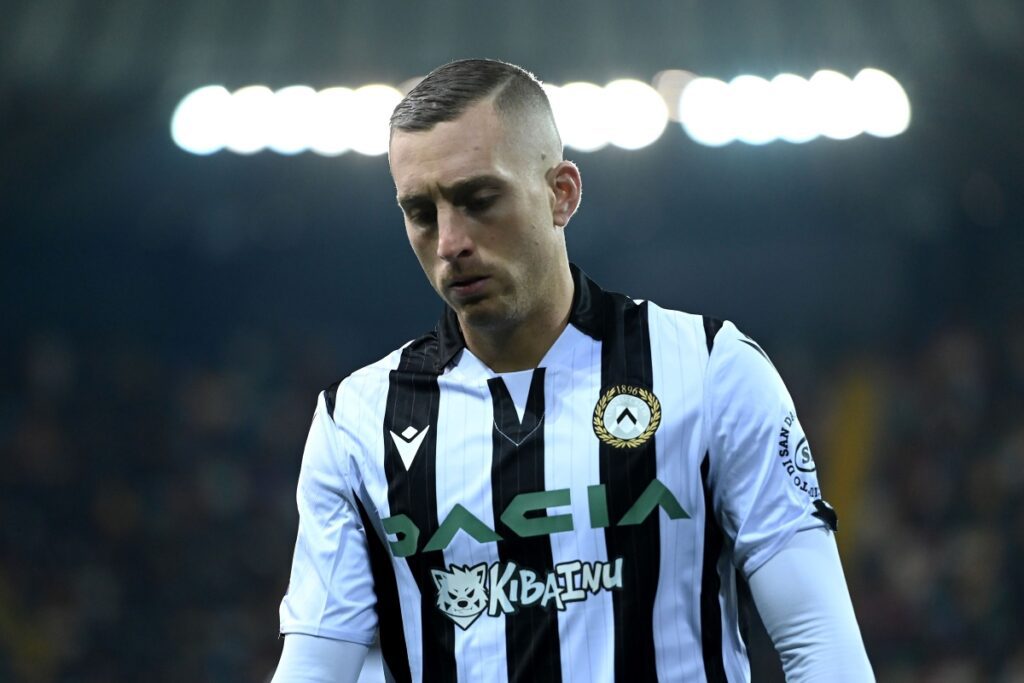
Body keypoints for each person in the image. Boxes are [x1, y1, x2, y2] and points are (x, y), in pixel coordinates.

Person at [272, 58, 874, 682]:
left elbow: (817, 641)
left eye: (479, 200)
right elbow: (316, 664)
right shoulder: (356, 420)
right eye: (422, 213)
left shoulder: (711, 369)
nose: (450, 242)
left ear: (562, 193)